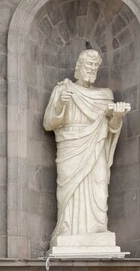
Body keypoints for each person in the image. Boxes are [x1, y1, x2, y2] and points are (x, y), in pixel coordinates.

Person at [43, 49, 130, 240]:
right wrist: (60, 104)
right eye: (88, 65)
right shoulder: (64, 89)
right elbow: (49, 123)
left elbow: (111, 129)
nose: (92, 69)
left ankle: (98, 226)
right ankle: (65, 227)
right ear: (79, 68)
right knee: (70, 187)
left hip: (97, 144)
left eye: (95, 66)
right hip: (70, 144)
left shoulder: (105, 95)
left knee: (99, 183)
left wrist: (117, 117)